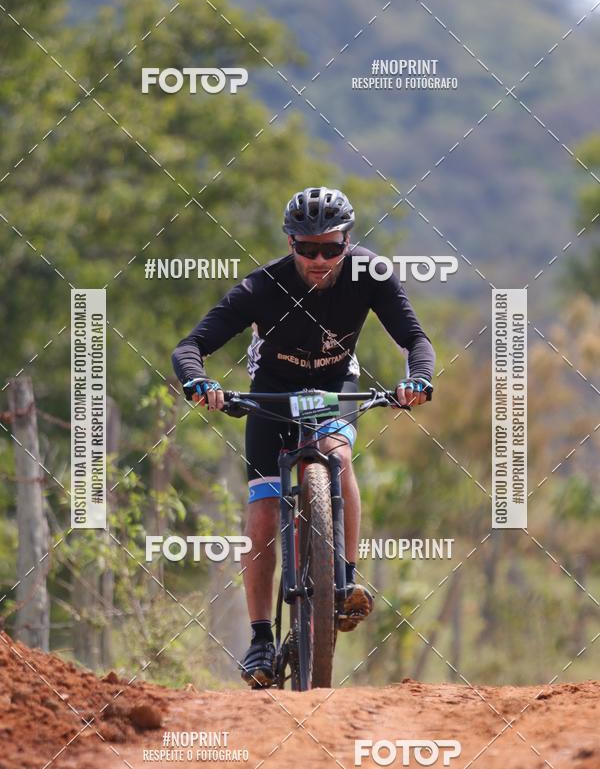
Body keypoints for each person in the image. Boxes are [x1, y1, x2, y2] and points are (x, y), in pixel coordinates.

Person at [172, 186, 435, 687]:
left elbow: (414, 339)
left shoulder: (371, 274)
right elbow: (191, 347)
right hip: (272, 391)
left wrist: (418, 378)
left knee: (338, 456)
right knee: (264, 509)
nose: (318, 260)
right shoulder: (260, 287)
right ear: (289, 242)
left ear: (347, 242)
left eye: (330, 248)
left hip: (334, 386)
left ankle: (343, 584)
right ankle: (260, 640)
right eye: (306, 248)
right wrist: (200, 383)